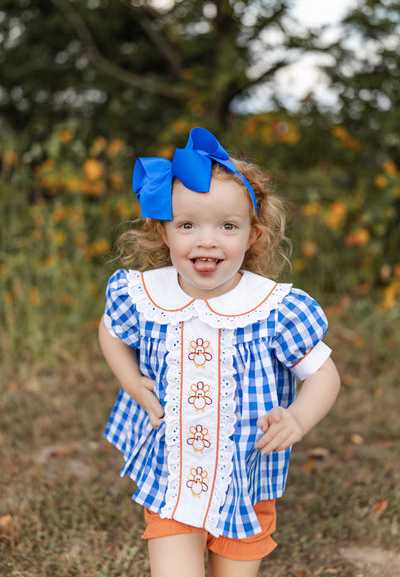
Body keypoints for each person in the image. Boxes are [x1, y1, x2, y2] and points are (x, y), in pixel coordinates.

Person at [98, 127, 340, 577]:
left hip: (244, 479)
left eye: (227, 226)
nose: (206, 241)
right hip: (171, 472)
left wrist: (299, 418)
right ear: (164, 231)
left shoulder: (273, 310)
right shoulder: (145, 295)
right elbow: (111, 331)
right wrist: (131, 382)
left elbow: (324, 375)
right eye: (187, 225)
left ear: (251, 235)